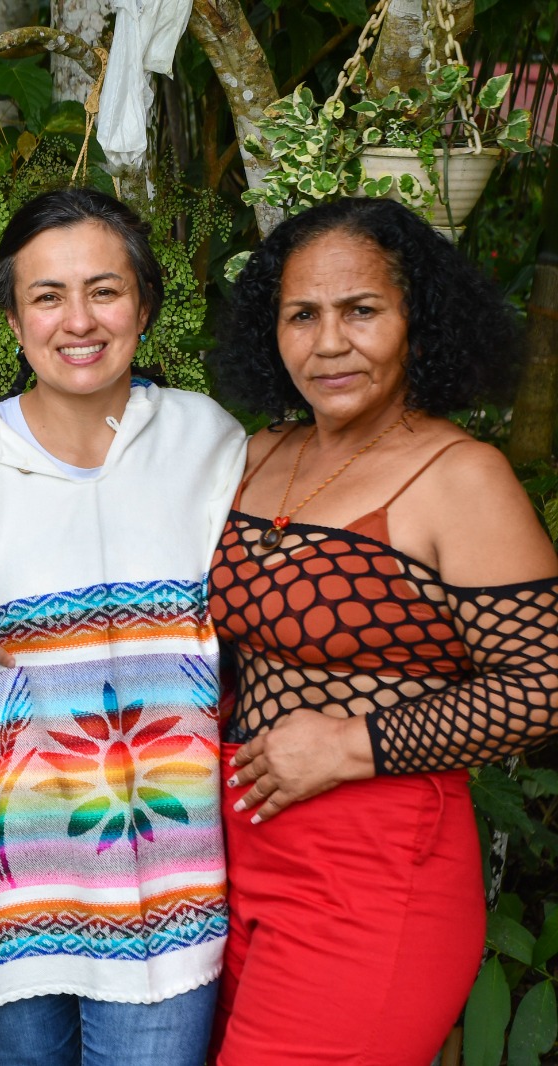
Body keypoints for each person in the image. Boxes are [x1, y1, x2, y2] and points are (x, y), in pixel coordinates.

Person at [0, 188, 247, 1066]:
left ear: (146, 306)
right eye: (47, 296)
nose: (77, 320)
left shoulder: (209, 439)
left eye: (105, 290)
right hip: (7, 874)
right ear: (12, 318)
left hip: (170, 878)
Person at [207, 195, 558, 1065]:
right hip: (222, 853)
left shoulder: (460, 477)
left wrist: (351, 745)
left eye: (361, 310)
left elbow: (544, 686)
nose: (330, 343)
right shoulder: (257, 454)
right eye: (303, 315)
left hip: (373, 863)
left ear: (417, 321)